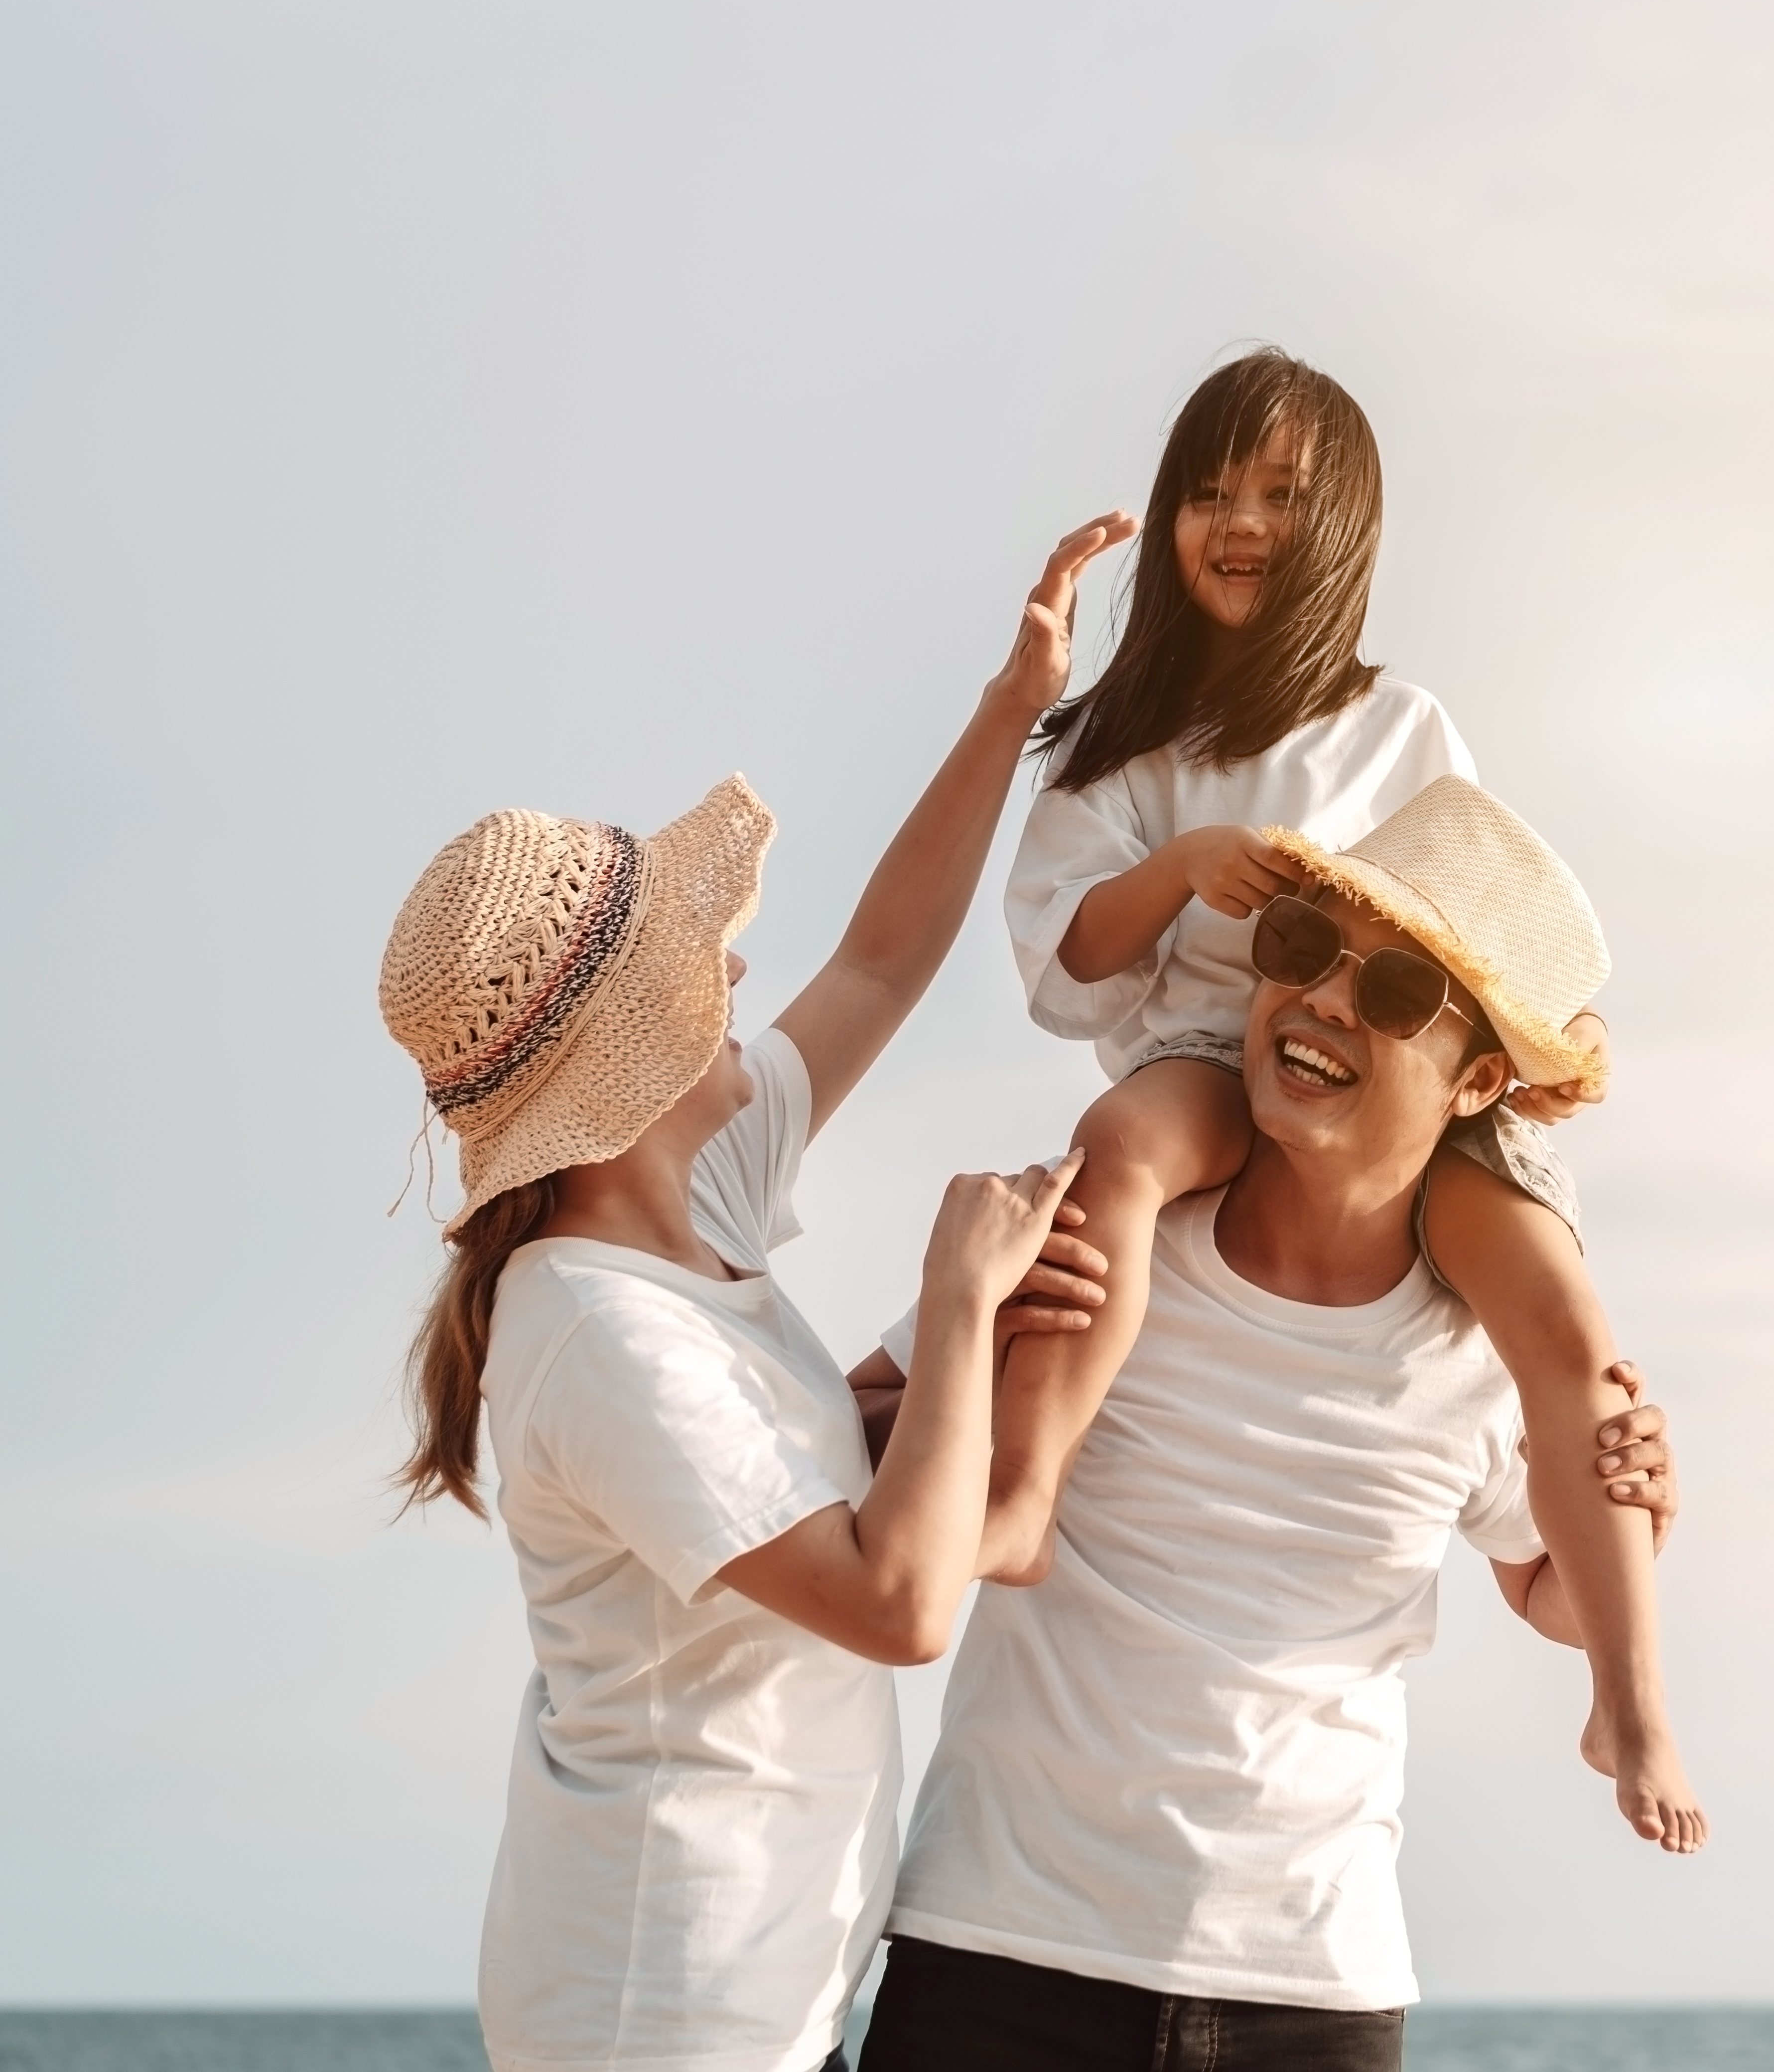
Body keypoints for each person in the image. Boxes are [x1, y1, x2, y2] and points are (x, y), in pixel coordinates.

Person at [378, 551, 1116, 2072]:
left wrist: (1011, 705)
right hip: (660, 2023)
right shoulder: (589, 1326)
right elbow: (901, 1604)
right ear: (634, 1051)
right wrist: (957, 1301)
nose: (736, 961)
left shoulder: (693, 1195)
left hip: (748, 2009)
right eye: (691, 961)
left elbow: (884, 954)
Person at [965, 347, 1703, 1851]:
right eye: (1211, 491)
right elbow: (1067, 963)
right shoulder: (1120, 747)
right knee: (1117, 1148)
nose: (1238, 522)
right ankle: (1024, 1485)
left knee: (1564, 1323)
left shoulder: (1397, 728)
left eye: (1281, 496)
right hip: (1207, 1048)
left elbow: (1467, 925)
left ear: (1343, 528)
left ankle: (1632, 1695)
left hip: (1410, 1088)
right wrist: (1180, 870)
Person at [848, 777, 1684, 2072]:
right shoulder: (1096, 1246)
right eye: (1302, 949)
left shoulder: (1472, 1347)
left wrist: (1642, 1525)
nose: (1327, 1000)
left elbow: (1544, 1587)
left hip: (1311, 1992)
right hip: (1002, 1949)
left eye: (1399, 996)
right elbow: (862, 1426)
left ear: (1474, 1088)